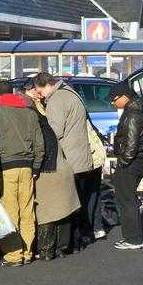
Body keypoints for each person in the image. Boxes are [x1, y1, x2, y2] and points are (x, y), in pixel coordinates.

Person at [34, 73, 97, 249]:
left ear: (46, 85)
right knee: (80, 200)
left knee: (69, 204)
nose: (39, 94)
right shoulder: (71, 93)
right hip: (81, 156)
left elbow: (54, 132)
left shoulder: (56, 100)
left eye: (39, 90)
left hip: (69, 158)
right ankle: (81, 238)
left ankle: (71, 243)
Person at [23, 80, 80, 261]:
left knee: (46, 213)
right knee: (63, 211)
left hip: (48, 173)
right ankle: (63, 248)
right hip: (63, 170)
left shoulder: (36, 127)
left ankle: (46, 251)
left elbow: (39, 151)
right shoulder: (47, 125)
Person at [0, 81, 44, 266]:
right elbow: (39, 145)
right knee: (27, 210)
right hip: (27, 167)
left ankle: (14, 254)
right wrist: (36, 166)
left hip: (6, 168)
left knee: (10, 210)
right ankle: (28, 252)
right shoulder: (30, 114)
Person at [109, 81, 143, 249]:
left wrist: (123, 162)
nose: (112, 103)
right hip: (136, 160)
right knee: (128, 199)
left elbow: (131, 145)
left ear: (125, 97)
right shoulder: (136, 110)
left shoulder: (132, 115)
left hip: (131, 163)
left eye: (114, 99)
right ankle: (133, 236)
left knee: (126, 200)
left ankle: (134, 238)